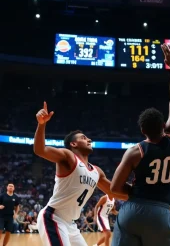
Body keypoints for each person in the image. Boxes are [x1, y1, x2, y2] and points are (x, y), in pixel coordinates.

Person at [110, 44, 170, 246]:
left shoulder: (136, 151)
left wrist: (138, 192)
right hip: (161, 211)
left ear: (142, 131)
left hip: (133, 210)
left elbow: (115, 188)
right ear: (164, 125)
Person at [33, 102, 128, 246]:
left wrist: (144, 195)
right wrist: (41, 125)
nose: (89, 139)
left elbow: (114, 191)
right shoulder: (68, 157)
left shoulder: (97, 171)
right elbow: (40, 150)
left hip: (71, 224)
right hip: (53, 218)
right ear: (73, 144)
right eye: (83, 138)